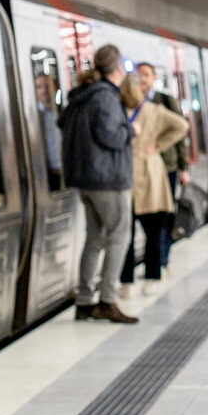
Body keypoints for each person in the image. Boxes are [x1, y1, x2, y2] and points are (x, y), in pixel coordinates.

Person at [59, 44, 139, 323]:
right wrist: (131, 130)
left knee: (94, 238)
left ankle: (84, 302)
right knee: (119, 236)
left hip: (86, 180)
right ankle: (107, 300)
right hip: (108, 179)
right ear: (118, 68)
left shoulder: (82, 96)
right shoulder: (105, 97)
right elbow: (110, 136)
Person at [120, 75, 189, 297]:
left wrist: (158, 144)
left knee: (126, 233)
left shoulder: (120, 112)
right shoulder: (153, 110)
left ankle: (126, 282)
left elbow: (181, 126)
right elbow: (182, 125)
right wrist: (158, 146)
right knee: (153, 230)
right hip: (150, 175)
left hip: (126, 174)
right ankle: (152, 276)